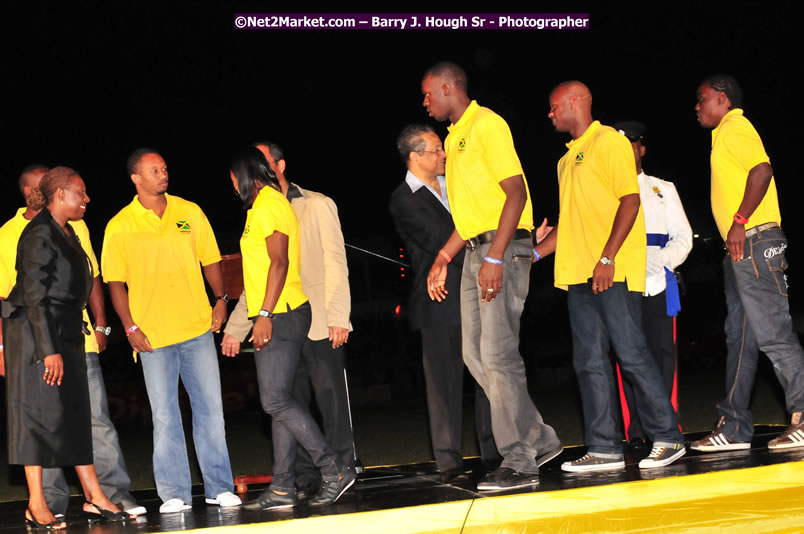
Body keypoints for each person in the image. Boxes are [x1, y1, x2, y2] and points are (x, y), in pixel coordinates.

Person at [421, 61, 562, 491]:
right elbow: (468, 217)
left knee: (499, 356)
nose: (424, 101)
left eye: (428, 93)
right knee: (475, 356)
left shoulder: (486, 124)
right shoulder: (455, 136)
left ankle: (519, 462)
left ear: (448, 87)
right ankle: (539, 438)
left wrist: (497, 257)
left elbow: (515, 192)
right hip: (473, 249)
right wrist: (443, 257)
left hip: (498, 249)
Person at [535, 81, 685, 472]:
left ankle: (668, 438)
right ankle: (604, 448)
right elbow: (569, 225)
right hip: (578, 275)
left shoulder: (610, 142)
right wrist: (532, 254)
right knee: (588, 361)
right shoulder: (565, 160)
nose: (549, 114)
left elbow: (630, 200)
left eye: (553, 107)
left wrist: (607, 257)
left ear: (576, 102)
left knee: (632, 354)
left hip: (610, 271)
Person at [0, 165, 145, 518]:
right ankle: (37, 504)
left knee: (78, 416)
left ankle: (94, 494)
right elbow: (33, 297)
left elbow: (86, 280)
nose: (87, 198)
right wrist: (48, 351)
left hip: (67, 332)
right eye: (81, 192)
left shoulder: (69, 232)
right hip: (35, 336)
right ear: (60, 194)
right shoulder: (37, 235)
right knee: (38, 418)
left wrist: (98, 326)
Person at [101, 149, 240, 513]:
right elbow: (115, 283)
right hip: (152, 337)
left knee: (210, 410)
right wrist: (129, 326)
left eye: (164, 168)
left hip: (196, 327)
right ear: (136, 177)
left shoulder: (188, 211)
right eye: (154, 170)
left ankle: (219, 487)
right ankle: (174, 493)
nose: (163, 174)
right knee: (165, 416)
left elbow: (210, 259)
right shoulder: (120, 224)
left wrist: (221, 299)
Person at [223, 141, 357, 498]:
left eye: (234, 177)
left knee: (278, 401)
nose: (232, 184)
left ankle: (336, 469)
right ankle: (284, 486)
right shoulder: (259, 209)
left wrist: (264, 316)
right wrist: (239, 326)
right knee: (281, 399)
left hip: (284, 313)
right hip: (277, 312)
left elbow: (281, 264)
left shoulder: (274, 205)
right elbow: (255, 275)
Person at [691, 74, 804, 451]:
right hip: (741, 249)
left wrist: (739, 222)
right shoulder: (722, 134)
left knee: (774, 333)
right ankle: (735, 427)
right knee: (740, 339)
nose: (697, 106)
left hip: (756, 240)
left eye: (702, 99)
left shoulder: (735, 127)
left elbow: (762, 170)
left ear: (722, 100)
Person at [390, 124, 501, 482]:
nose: (444, 154)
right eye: (437, 149)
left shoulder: (456, 185)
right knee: (444, 385)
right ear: (415, 156)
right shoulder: (403, 199)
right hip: (440, 301)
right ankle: (450, 463)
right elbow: (448, 242)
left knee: (488, 376)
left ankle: (495, 453)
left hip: (478, 291)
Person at [611, 122, 693, 447]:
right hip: (621, 284)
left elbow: (684, 237)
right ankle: (635, 431)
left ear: (641, 148)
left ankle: (667, 425)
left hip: (660, 282)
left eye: (631, 145)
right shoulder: (607, 192)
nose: (626, 153)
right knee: (627, 360)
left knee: (662, 356)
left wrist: (660, 261)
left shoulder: (663, 189)